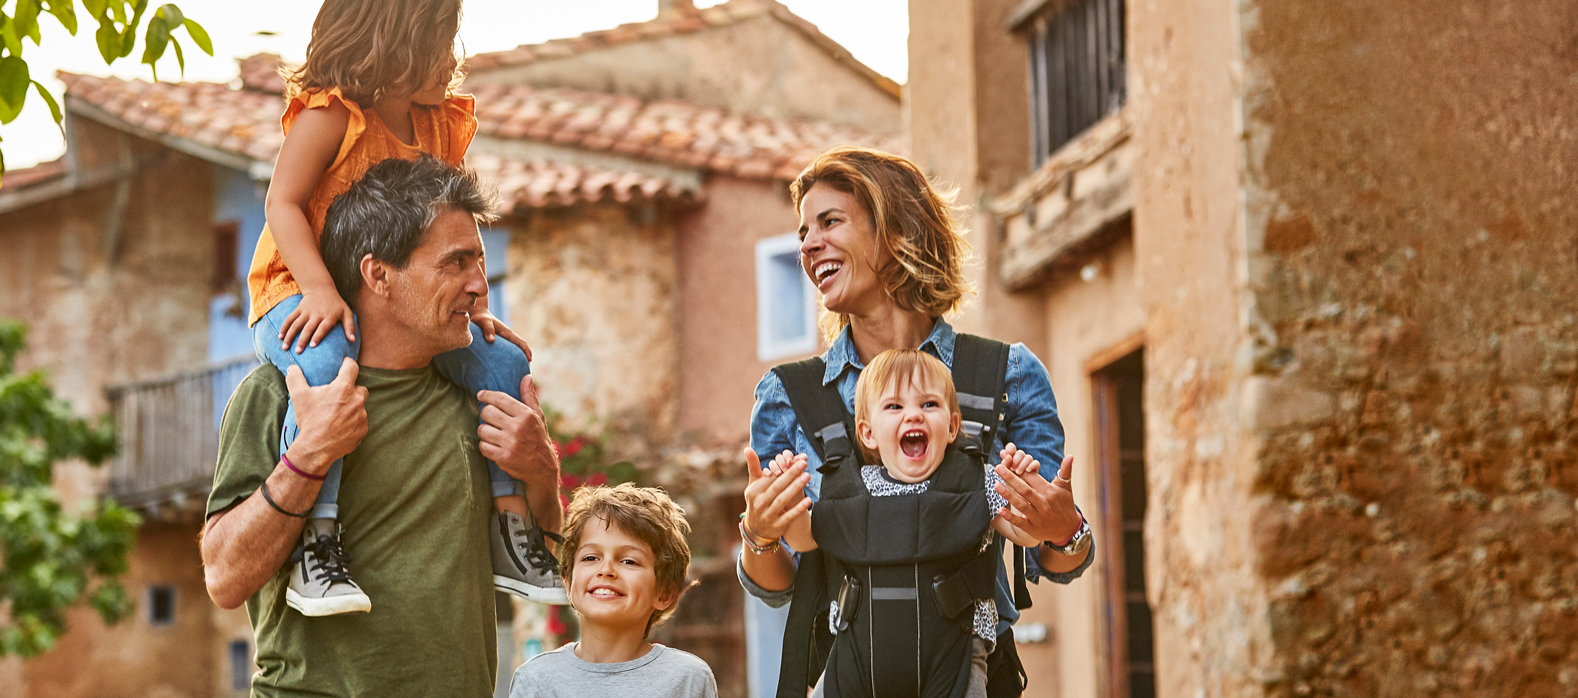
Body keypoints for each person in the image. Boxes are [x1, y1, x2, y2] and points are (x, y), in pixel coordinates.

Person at [243, 0, 563, 614]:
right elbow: (282, 204)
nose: (452, 59)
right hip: (296, 290)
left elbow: (449, 233)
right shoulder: (330, 118)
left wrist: (474, 307)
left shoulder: (439, 126)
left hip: (391, 302)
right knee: (329, 368)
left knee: (502, 362)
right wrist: (321, 291)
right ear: (391, 43)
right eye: (439, 43)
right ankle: (316, 545)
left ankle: (509, 529)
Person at [739, 147, 1096, 696]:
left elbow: (1059, 558)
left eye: (830, 222)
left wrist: (1065, 530)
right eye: (804, 230)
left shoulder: (1007, 375)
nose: (807, 245)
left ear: (898, 233)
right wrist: (760, 537)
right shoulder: (789, 395)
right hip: (847, 676)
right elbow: (778, 584)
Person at [202, 156, 564, 697]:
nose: (479, 285)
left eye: (480, 262)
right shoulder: (280, 394)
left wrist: (541, 471)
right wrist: (310, 454)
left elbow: (548, 551)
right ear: (378, 275)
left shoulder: (480, 396)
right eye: (456, 263)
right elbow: (225, 578)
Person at [766, 350, 1047, 698]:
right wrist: (790, 501)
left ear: (953, 426)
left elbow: (1027, 534)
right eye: (894, 407)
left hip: (955, 655)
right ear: (868, 433)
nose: (913, 414)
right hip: (856, 657)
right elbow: (807, 538)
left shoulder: (980, 481)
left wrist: (1026, 493)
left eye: (929, 404)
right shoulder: (846, 488)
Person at [509, 484, 718, 698]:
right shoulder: (535, 679)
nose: (606, 569)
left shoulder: (688, 679)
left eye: (629, 561)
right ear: (569, 583)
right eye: (591, 558)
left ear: (664, 593)